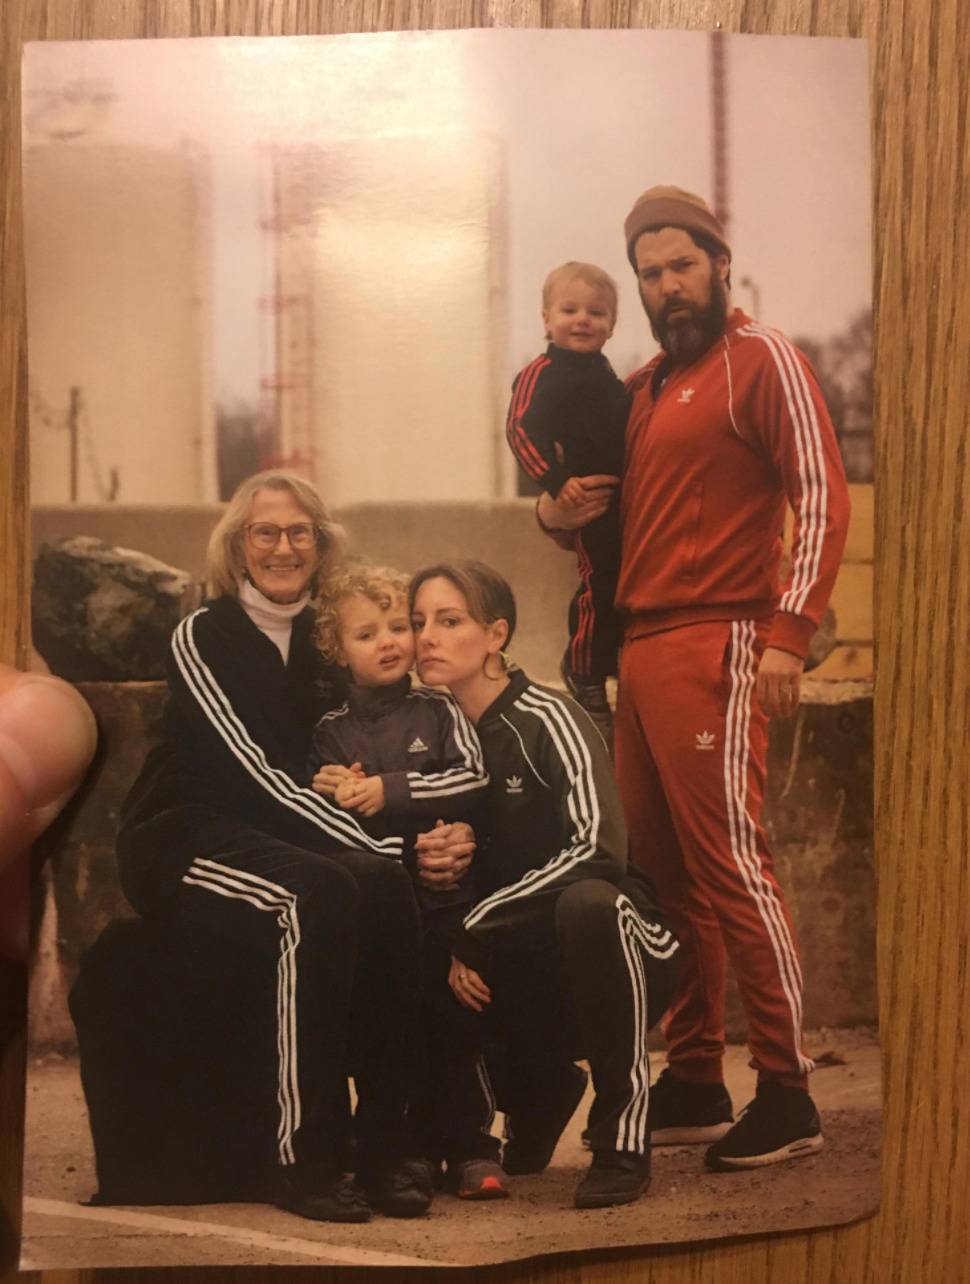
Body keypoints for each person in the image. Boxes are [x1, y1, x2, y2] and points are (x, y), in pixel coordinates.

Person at [536, 186, 852, 1172]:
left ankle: (788, 1090)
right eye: (650, 273)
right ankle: (697, 1077)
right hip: (640, 647)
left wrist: (789, 633)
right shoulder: (639, 386)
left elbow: (821, 493)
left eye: (682, 265)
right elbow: (595, 513)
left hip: (720, 636)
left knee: (733, 866)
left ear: (718, 264)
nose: (668, 285)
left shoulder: (762, 358)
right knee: (665, 877)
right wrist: (551, 513)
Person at [96, 471, 440, 1222]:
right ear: (237, 546)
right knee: (316, 895)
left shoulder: (328, 639)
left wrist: (432, 834)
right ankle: (303, 1160)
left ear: (320, 543)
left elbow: (368, 753)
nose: (283, 548)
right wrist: (378, 845)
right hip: (185, 834)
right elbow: (252, 775)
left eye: (299, 532)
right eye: (265, 533)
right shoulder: (203, 635)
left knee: (384, 887)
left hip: (284, 833)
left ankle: (386, 1150)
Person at [409, 560, 679, 1210]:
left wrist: (479, 925)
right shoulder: (428, 737)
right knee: (411, 927)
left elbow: (600, 850)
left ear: (496, 634)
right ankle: (534, 1091)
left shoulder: (547, 717)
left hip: (625, 944)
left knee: (588, 906)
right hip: (523, 963)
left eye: (450, 620)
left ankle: (622, 1141)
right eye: (417, 622)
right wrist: (424, 858)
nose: (426, 638)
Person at [308, 563, 506, 1197]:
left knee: (457, 1021)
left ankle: (472, 1145)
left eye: (398, 626)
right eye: (367, 634)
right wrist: (343, 796)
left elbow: (473, 778)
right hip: (388, 913)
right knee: (400, 1027)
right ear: (338, 650)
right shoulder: (329, 733)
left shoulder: (438, 708)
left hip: (448, 901)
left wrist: (389, 790)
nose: (390, 642)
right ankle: (413, 1148)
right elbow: (328, 828)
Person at [505, 262, 629, 740]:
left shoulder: (608, 375)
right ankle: (583, 671)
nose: (582, 320)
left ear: (612, 325)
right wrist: (556, 482)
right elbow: (520, 429)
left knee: (624, 584)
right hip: (585, 497)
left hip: (624, 500)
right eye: (569, 310)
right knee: (599, 584)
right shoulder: (541, 373)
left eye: (596, 313)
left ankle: (611, 661)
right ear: (546, 319)